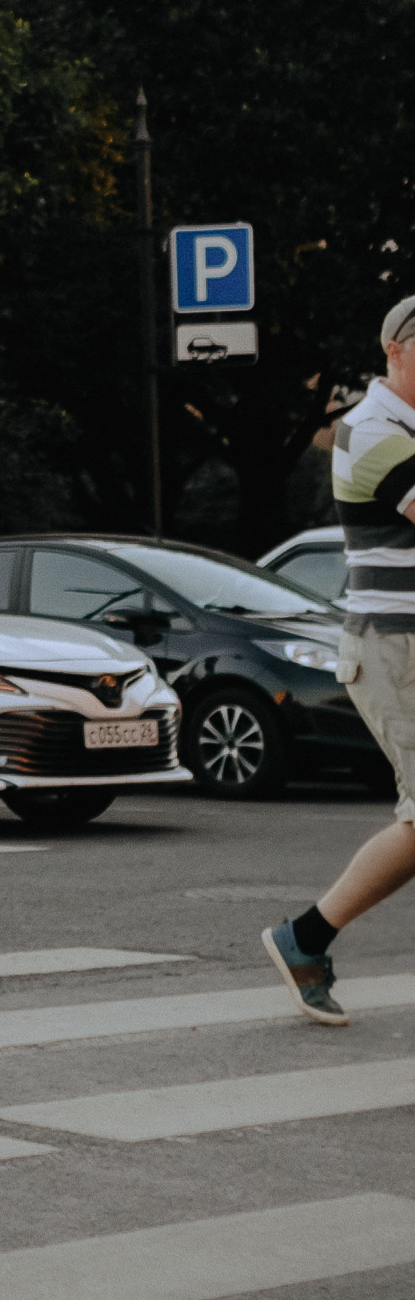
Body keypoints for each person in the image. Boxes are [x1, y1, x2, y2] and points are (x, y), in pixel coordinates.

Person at [264, 294, 415, 1026]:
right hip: (395, 649)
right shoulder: (367, 429)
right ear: (396, 349)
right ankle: (303, 938)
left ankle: (306, 937)